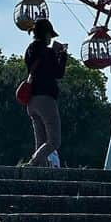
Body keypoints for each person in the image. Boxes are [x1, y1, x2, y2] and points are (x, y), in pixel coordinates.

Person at [23, 17, 67, 167]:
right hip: (46, 100)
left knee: (41, 142)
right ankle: (33, 163)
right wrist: (62, 55)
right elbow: (58, 73)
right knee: (54, 141)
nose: (51, 39)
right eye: (50, 35)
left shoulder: (29, 50)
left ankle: (38, 171)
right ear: (46, 34)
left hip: (31, 101)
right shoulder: (48, 52)